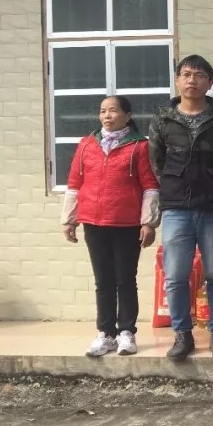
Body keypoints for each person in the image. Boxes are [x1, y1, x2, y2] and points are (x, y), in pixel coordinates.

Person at [149, 55, 213, 360]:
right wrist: (174, 187)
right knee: (176, 275)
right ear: (177, 80)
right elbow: (156, 162)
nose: (192, 80)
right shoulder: (163, 118)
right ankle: (182, 334)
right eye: (186, 74)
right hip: (177, 208)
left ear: (210, 83)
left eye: (199, 75)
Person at [61, 96, 159, 357]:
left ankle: (126, 332)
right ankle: (106, 333)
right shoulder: (86, 144)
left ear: (127, 116)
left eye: (113, 111)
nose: (107, 116)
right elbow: (75, 182)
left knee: (125, 279)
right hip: (94, 223)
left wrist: (148, 223)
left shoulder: (139, 146)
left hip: (127, 224)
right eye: (103, 111)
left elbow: (150, 185)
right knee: (103, 280)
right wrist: (69, 218)